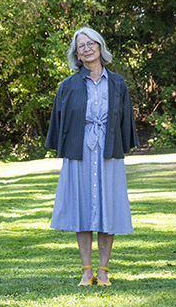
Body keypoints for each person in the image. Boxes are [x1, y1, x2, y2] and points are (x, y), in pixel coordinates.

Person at [45, 27, 138, 286]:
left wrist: (122, 147)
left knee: (108, 208)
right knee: (81, 208)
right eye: (80, 46)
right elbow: (58, 120)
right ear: (76, 54)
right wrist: (61, 147)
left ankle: (104, 270)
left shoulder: (118, 83)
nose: (86, 48)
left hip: (108, 150)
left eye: (90, 43)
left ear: (100, 45)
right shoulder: (68, 85)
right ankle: (87, 271)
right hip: (80, 150)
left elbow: (125, 118)